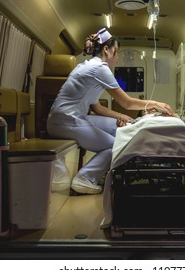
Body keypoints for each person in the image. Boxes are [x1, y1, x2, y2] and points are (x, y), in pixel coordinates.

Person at [46, 28, 174, 195]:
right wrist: (155, 103)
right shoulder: (99, 68)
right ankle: (85, 178)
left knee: (119, 127)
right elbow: (127, 102)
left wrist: (122, 117)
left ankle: (99, 171)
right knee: (116, 145)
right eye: (117, 52)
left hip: (67, 118)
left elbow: (98, 108)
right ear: (107, 49)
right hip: (66, 121)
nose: (118, 57)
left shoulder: (87, 66)